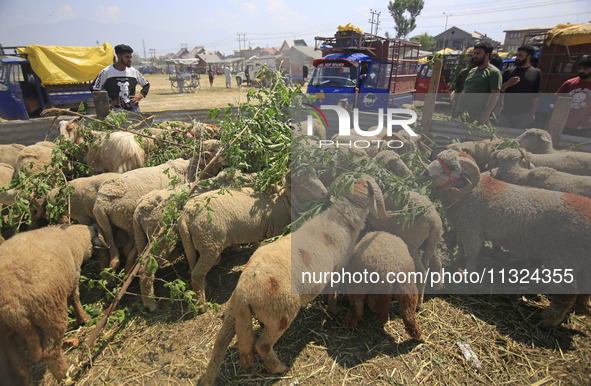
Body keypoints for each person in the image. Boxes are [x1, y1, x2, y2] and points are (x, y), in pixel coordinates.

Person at [91, 44, 149, 112]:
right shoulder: (107, 72)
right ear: (119, 56)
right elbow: (94, 88)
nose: (130, 60)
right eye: (127, 57)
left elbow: (146, 85)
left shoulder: (134, 72)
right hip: (116, 112)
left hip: (133, 110)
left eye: (131, 57)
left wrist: (140, 96)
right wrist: (109, 103)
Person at [454, 42, 502, 124]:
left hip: (476, 115)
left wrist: (487, 114)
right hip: (462, 112)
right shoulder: (473, 71)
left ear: (487, 55)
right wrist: (457, 108)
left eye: (478, 53)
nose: (475, 56)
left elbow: (495, 94)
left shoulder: (493, 72)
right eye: (474, 53)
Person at [498, 45, 541, 129]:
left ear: (528, 57)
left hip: (524, 115)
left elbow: (535, 96)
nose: (517, 58)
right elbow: (500, 91)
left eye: (520, 56)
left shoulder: (536, 73)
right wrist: (508, 84)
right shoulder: (508, 72)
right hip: (506, 113)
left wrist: (533, 114)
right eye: (517, 55)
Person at [556, 55, 591, 137]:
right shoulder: (569, 83)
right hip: (565, 125)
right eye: (580, 68)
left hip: (586, 129)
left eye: (585, 68)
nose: (581, 71)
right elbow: (556, 101)